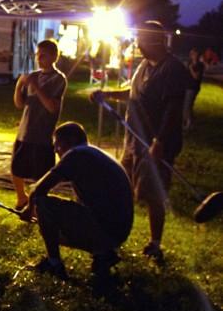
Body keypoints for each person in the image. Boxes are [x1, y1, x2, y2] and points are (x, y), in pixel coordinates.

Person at [91, 21, 192, 262]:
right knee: (120, 184)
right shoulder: (144, 66)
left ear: (154, 40)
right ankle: (113, 232)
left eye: (140, 39)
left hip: (155, 143)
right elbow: (132, 93)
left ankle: (155, 243)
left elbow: (173, 109)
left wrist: (160, 141)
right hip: (134, 140)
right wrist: (108, 95)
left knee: (153, 192)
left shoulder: (173, 69)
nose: (137, 44)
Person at [20, 122, 133, 279]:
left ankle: (54, 263)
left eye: (57, 145)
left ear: (70, 141)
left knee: (43, 204)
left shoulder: (76, 155)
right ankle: (103, 254)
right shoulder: (94, 154)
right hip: (118, 231)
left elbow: (38, 189)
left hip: (106, 230)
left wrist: (29, 209)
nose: (55, 150)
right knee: (60, 214)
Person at [11, 39, 67, 210]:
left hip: (42, 134)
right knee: (16, 168)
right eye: (37, 54)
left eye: (43, 55)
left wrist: (35, 86)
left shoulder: (58, 79)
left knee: (40, 174)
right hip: (24, 131)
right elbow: (20, 104)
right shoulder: (33, 75)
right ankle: (22, 198)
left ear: (54, 56)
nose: (39, 58)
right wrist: (19, 85)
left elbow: (51, 107)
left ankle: (36, 206)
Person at [183, 48, 205, 130]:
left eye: (194, 54)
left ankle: (189, 124)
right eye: (191, 53)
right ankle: (189, 122)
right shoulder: (189, 63)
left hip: (193, 88)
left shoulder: (200, 65)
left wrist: (191, 68)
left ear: (197, 55)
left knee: (187, 106)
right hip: (186, 86)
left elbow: (196, 77)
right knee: (187, 105)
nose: (192, 55)